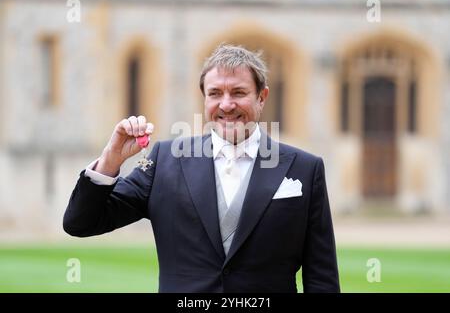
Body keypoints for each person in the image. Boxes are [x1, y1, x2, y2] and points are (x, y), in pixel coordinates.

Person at [63, 44, 340, 293]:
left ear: (262, 97)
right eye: (215, 93)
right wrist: (111, 159)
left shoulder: (305, 168)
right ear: (204, 98)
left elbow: (322, 278)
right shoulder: (164, 161)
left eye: (239, 92)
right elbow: (81, 223)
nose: (227, 104)